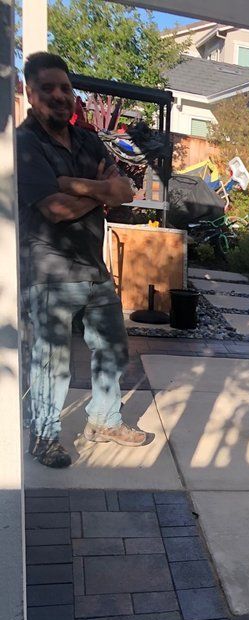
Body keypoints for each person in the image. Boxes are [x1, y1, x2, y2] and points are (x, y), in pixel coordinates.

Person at [17, 51, 147, 469]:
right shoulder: (23, 144)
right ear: (30, 92)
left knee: (112, 347)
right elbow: (54, 210)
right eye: (48, 88)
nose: (59, 96)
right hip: (50, 269)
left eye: (66, 88)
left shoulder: (88, 140)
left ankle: (104, 420)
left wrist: (74, 185)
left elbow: (125, 192)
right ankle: (44, 436)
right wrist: (100, 190)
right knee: (52, 360)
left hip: (93, 266)